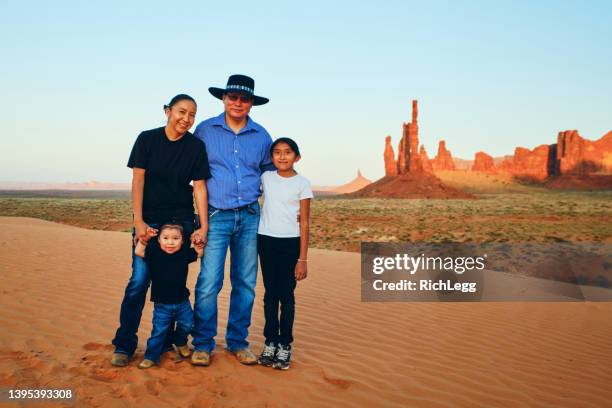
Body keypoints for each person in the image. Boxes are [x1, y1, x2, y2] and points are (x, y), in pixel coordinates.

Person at [111, 94, 211, 367]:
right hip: (150, 221)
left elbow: (200, 187)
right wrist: (139, 221)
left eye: (192, 114)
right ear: (167, 111)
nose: (186, 119)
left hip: (180, 221)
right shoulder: (147, 139)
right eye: (181, 111)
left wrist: (203, 225)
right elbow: (138, 180)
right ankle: (124, 343)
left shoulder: (195, 147)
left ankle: (167, 341)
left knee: (171, 282)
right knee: (139, 282)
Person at [191, 74, 274, 366]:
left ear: (251, 103)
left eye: (244, 98)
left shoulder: (262, 136)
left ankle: (238, 342)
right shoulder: (204, 131)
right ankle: (202, 343)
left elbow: (270, 176)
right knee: (208, 282)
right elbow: (192, 172)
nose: (238, 102)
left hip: (250, 216)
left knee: (245, 283)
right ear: (224, 99)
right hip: (215, 216)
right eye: (233, 97)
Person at [256, 138, 312, 370]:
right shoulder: (266, 178)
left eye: (287, 152)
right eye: (277, 152)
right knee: (270, 295)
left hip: (291, 244)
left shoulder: (303, 183)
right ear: (271, 157)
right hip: (266, 240)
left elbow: (305, 223)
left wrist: (302, 259)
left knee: (286, 296)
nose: (282, 157)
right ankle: (270, 342)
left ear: (297, 157)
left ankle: (285, 346)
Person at [135, 224, 203, 369]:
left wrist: (198, 242)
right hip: (162, 305)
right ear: (159, 240)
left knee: (188, 325)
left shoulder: (184, 253)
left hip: (182, 303)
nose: (170, 242)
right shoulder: (154, 253)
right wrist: (145, 239)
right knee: (159, 331)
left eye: (175, 238)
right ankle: (151, 356)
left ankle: (180, 341)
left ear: (182, 241)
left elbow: (198, 253)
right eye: (165, 238)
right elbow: (139, 251)